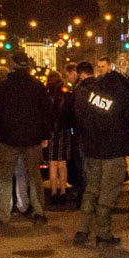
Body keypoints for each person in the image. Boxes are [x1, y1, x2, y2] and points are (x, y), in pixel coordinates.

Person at [72, 52, 129, 247]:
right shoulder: (126, 91)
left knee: (91, 191)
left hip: (92, 148)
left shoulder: (97, 85)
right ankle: (104, 234)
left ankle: (83, 230)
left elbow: (82, 113)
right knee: (107, 195)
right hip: (114, 151)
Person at [0, 51, 52, 225]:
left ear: (12, 65)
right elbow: (46, 113)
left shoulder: (4, 87)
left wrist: (1, 132)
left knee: (6, 177)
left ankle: (4, 213)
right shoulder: (37, 86)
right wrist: (44, 135)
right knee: (34, 176)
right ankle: (38, 211)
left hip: (9, 139)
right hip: (32, 139)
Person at [66, 60, 95, 206]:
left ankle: (86, 197)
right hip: (97, 132)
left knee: (83, 166)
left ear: (80, 74)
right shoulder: (100, 86)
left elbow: (77, 113)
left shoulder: (80, 90)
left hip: (82, 133)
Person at [45, 70, 73, 206]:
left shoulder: (45, 96)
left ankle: (53, 192)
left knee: (52, 164)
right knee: (62, 164)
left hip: (50, 132)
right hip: (63, 131)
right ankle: (63, 191)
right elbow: (70, 115)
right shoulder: (66, 96)